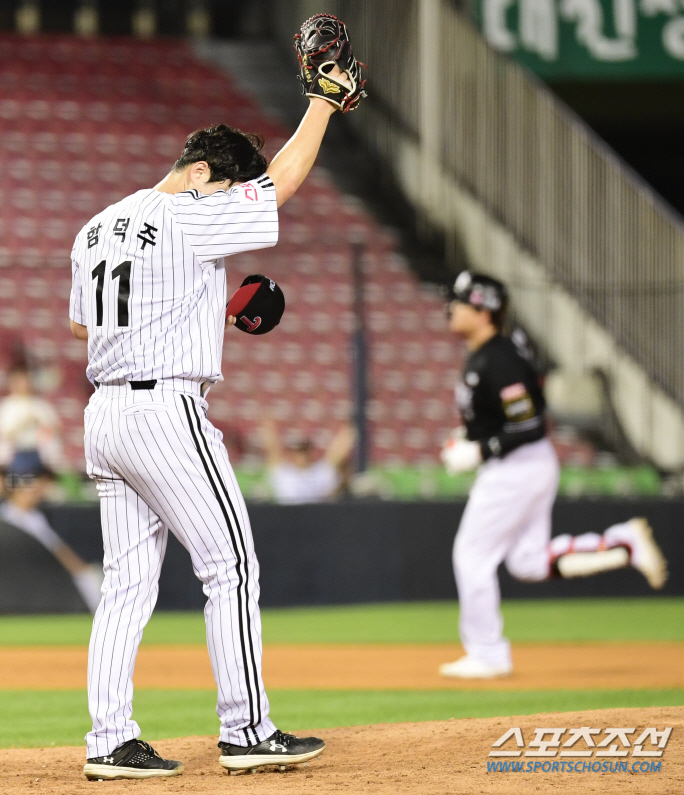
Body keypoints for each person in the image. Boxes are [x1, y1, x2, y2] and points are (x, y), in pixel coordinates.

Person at [68, 52, 362, 780]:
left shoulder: (97, 226)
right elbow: (282, 182)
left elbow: (85, 328)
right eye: (227, 187)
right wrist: (323, 102)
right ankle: (247, 729)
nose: (233, 204)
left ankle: (109, 739)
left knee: (126, 583)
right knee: (230, 563)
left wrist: (202, 315)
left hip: (104, 411)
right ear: (200, 172)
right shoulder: (184, 211)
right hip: (166, 411)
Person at [439, 271, 667, 679]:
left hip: (518, 466)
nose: (450, 308)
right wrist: (468, 439)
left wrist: (481, 449)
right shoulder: (489, 352)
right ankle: (623, 543)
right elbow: (506, 417)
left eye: (459, 302)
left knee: (471, 555)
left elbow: (528, 424)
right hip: (524, 465)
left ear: (482, 308)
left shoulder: (499, 357)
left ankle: (488, 652)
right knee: (527, 562)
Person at [0, 449, 103, 612]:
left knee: (90, 577)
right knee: (89, 578)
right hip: (22, 587)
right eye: (40, 480)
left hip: (41, 584)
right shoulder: (8, 516)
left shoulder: (34, 517)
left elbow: (58, 551)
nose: (44, 486)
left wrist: (83, 570)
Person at [261, 417, 355, 504]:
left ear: (311, 452)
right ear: (293, 454)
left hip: (315, 517)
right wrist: (268, 425)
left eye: (305, 451)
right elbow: (273, 449)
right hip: (288, 517)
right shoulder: (284, 474)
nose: (302, 456)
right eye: (299, 452)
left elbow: (337, 452)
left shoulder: (320, 472)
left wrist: (351, 426)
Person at [0, 363, 65, 471]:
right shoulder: (6, 406)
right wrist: (24, 423)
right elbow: (5, 436)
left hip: (41, 453)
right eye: (18, 381)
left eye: (24, 380)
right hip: (15, 455)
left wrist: (41, 425)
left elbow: (56, 430)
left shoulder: (41, 405)